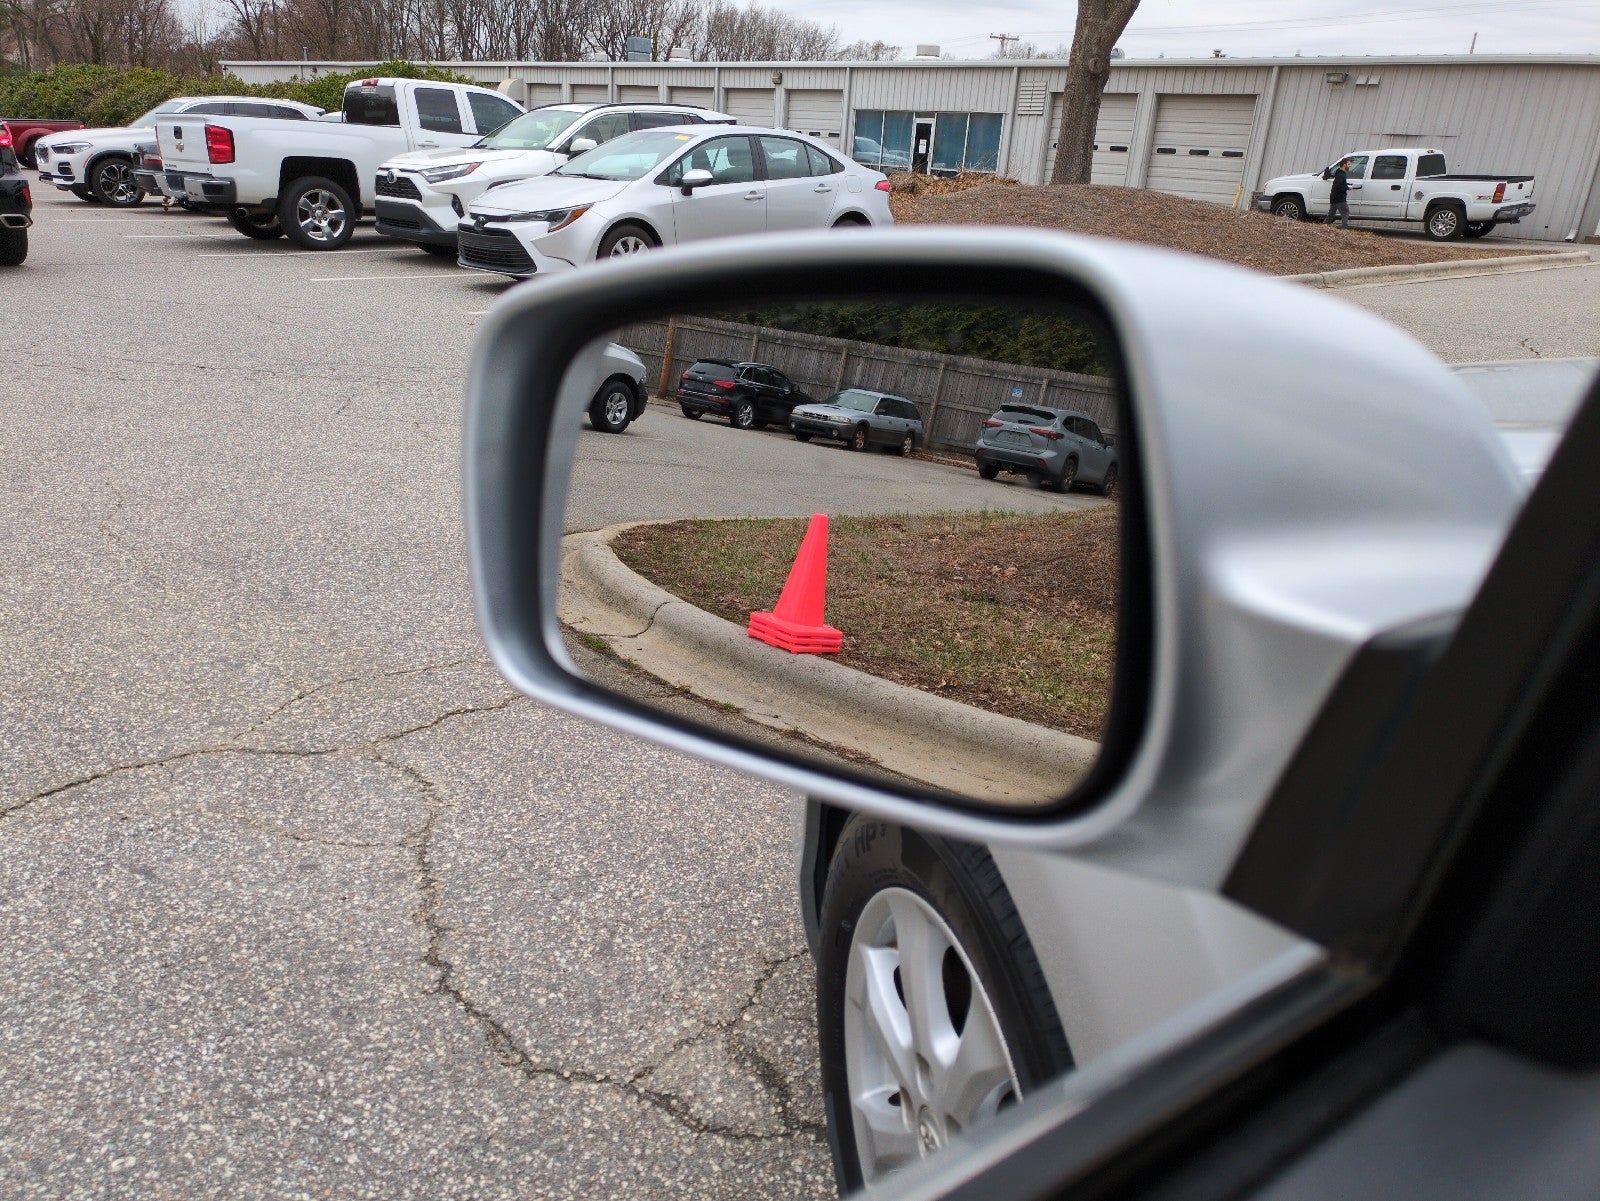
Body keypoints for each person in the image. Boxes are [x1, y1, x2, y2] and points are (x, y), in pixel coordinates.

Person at [1327, 157, 1354, 229]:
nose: (1350, 166)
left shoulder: (1339, 173)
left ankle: (1324, 225)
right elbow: (1339, 186)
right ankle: (1344, 228)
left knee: (1331, 214)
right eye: (1348, 164)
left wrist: (1346, 185)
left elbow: (1340, 184)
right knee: (1345, 212)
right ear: (1344, 165)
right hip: (1339, 198)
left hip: (1333, 197)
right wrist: (1348, 187)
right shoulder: (1341, 175)